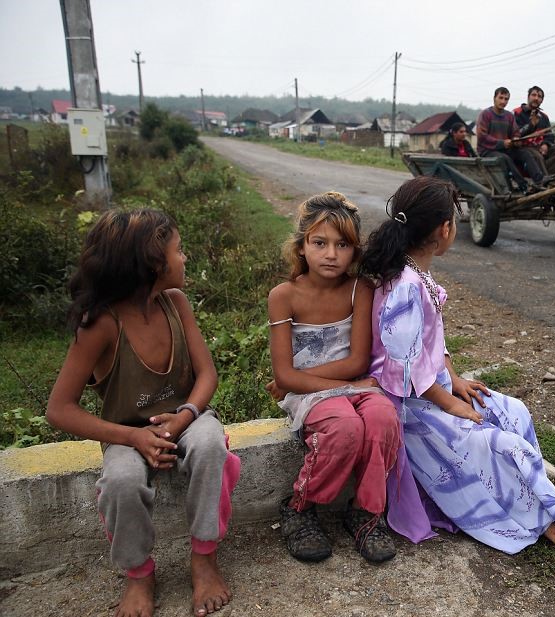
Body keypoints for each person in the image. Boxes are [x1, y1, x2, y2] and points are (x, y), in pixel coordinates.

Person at [359, 176, 555, 555]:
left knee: (513, 412)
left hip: (435, 390)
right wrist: (450, 404)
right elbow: (404, 369)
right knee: (499, 444)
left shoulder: (416, 273)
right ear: (445, 229)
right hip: (413, 409)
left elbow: (433, 343)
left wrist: (455, 380)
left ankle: (542, 508)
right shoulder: (404, 285)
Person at [46, 209, 240, 617]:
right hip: (125, 433)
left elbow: (207, 374)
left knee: (210, 444)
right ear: (152, 264)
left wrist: (184, 417)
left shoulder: (176, 303)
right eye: (179, 250)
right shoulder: (101, 324)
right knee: (120, 480)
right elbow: (59, 409)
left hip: (186, 418)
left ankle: (204, 556)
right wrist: (134, 437)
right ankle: (138, 574)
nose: (185, 258)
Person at [266, 192, 432, 565]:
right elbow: (284, 376)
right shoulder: (284, 296)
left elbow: (357, 359)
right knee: (344, 427)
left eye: (342, 245)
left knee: (383, 417)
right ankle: (300, 506)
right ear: (301, 246)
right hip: (310, 394)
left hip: (353, 386)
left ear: (354, 250)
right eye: (319, 243)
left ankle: (365, 512)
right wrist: (301, 381)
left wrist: (298, 377)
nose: (331, 254)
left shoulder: (360, 289)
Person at [476, 86, 546, 191]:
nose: (503, 101)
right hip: (487, 151)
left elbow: (515, 133)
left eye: (506, 99)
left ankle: (539, 180)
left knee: (525, 153)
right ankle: (522, 185)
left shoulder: (509, 116)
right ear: (494, 98)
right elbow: (482, 136)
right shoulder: (485, 114)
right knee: (505, 158)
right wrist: (502, 143)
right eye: (500, 98)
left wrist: (516, 140)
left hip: (504, 149)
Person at [514, 85, 555, 176]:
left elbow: (550, 135)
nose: (536, 98)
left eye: (539, 97)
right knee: (537, 156)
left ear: (542, 100)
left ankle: (544, 175)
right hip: (522, 148)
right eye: (533, 95)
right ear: (528, 97)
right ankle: (544, 179)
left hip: (539, 147)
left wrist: (545, 144)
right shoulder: (517, 113)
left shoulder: (544, 117)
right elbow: (516, 134)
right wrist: (531, 125)